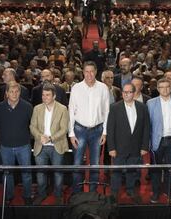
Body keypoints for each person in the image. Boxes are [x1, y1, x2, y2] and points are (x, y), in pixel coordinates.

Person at [69, 61, 110, 193]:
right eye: (86, 71)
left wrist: (105, 132)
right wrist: (71, 133)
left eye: (92, 71)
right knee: (77, 164)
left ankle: (92, 193)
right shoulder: (76, 88)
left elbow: (107, 111)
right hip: (79, 130)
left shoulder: (103, 88)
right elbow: (71, 110)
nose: (89, 74)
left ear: (96, 72)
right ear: (83, 72)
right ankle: (77, 193)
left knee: (95, 164)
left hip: (97, 130)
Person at [107, 83, 150, 204]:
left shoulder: (142, 107)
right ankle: (114, 193)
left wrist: (144, 146)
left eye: (129, 92)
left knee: (132, 171)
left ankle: (131, 190)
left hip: (136, 147)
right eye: (124, 92)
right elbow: (110, 129)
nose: (126, 94)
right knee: (116, 172)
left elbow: (146, 128)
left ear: (134, 93)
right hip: (119, 148)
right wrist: (111, 148)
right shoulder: (114, 107)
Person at [0, 81, 33, 205]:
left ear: (20, 92)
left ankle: (27, 196)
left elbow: (32, 126)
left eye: (17, 91)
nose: (14, 94)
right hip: (6, 147)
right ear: (6, 93)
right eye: (11, 91)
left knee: (26, 173)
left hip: (24, 146)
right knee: (7, 174)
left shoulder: (28, 107)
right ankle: (9, 196)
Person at [30, 83, 70, 205]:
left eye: (47, 95)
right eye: (43, 95)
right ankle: (42, 194)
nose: (44, 97)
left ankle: (58, 195)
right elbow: (32, 126)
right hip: (40, 145)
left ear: (54, 96)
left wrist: (50, 138)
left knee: (58, 173)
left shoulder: (63, 109)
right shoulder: (37, 108)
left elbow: (64, 129)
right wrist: (40, 137)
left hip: (56, 145)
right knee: (40, 173)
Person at [147, 78, 171, 203]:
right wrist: (149, 143)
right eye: (161, 87)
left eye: (167, 87)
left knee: (170, 168)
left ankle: (169, 190)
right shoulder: (151, 103)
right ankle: (156, 192)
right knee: (156, 169)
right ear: (157, 89)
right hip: (157, 141)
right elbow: (148, 125)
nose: (165, 89)